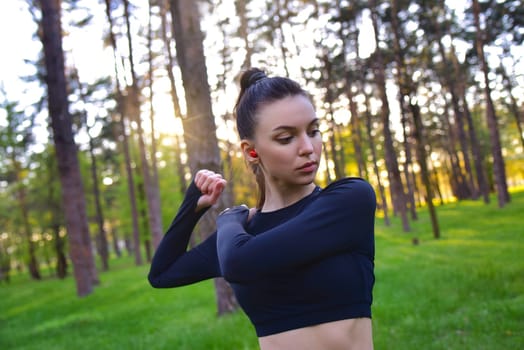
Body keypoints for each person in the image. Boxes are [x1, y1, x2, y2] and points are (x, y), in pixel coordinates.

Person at [148, 68, 376, 350]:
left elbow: (238, 263)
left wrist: (229, 218)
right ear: (251, 151)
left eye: (314, 131)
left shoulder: (349, 200)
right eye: (286, 138)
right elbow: (162, 274)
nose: (308, 148)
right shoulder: (243, 235)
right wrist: (191, 206)